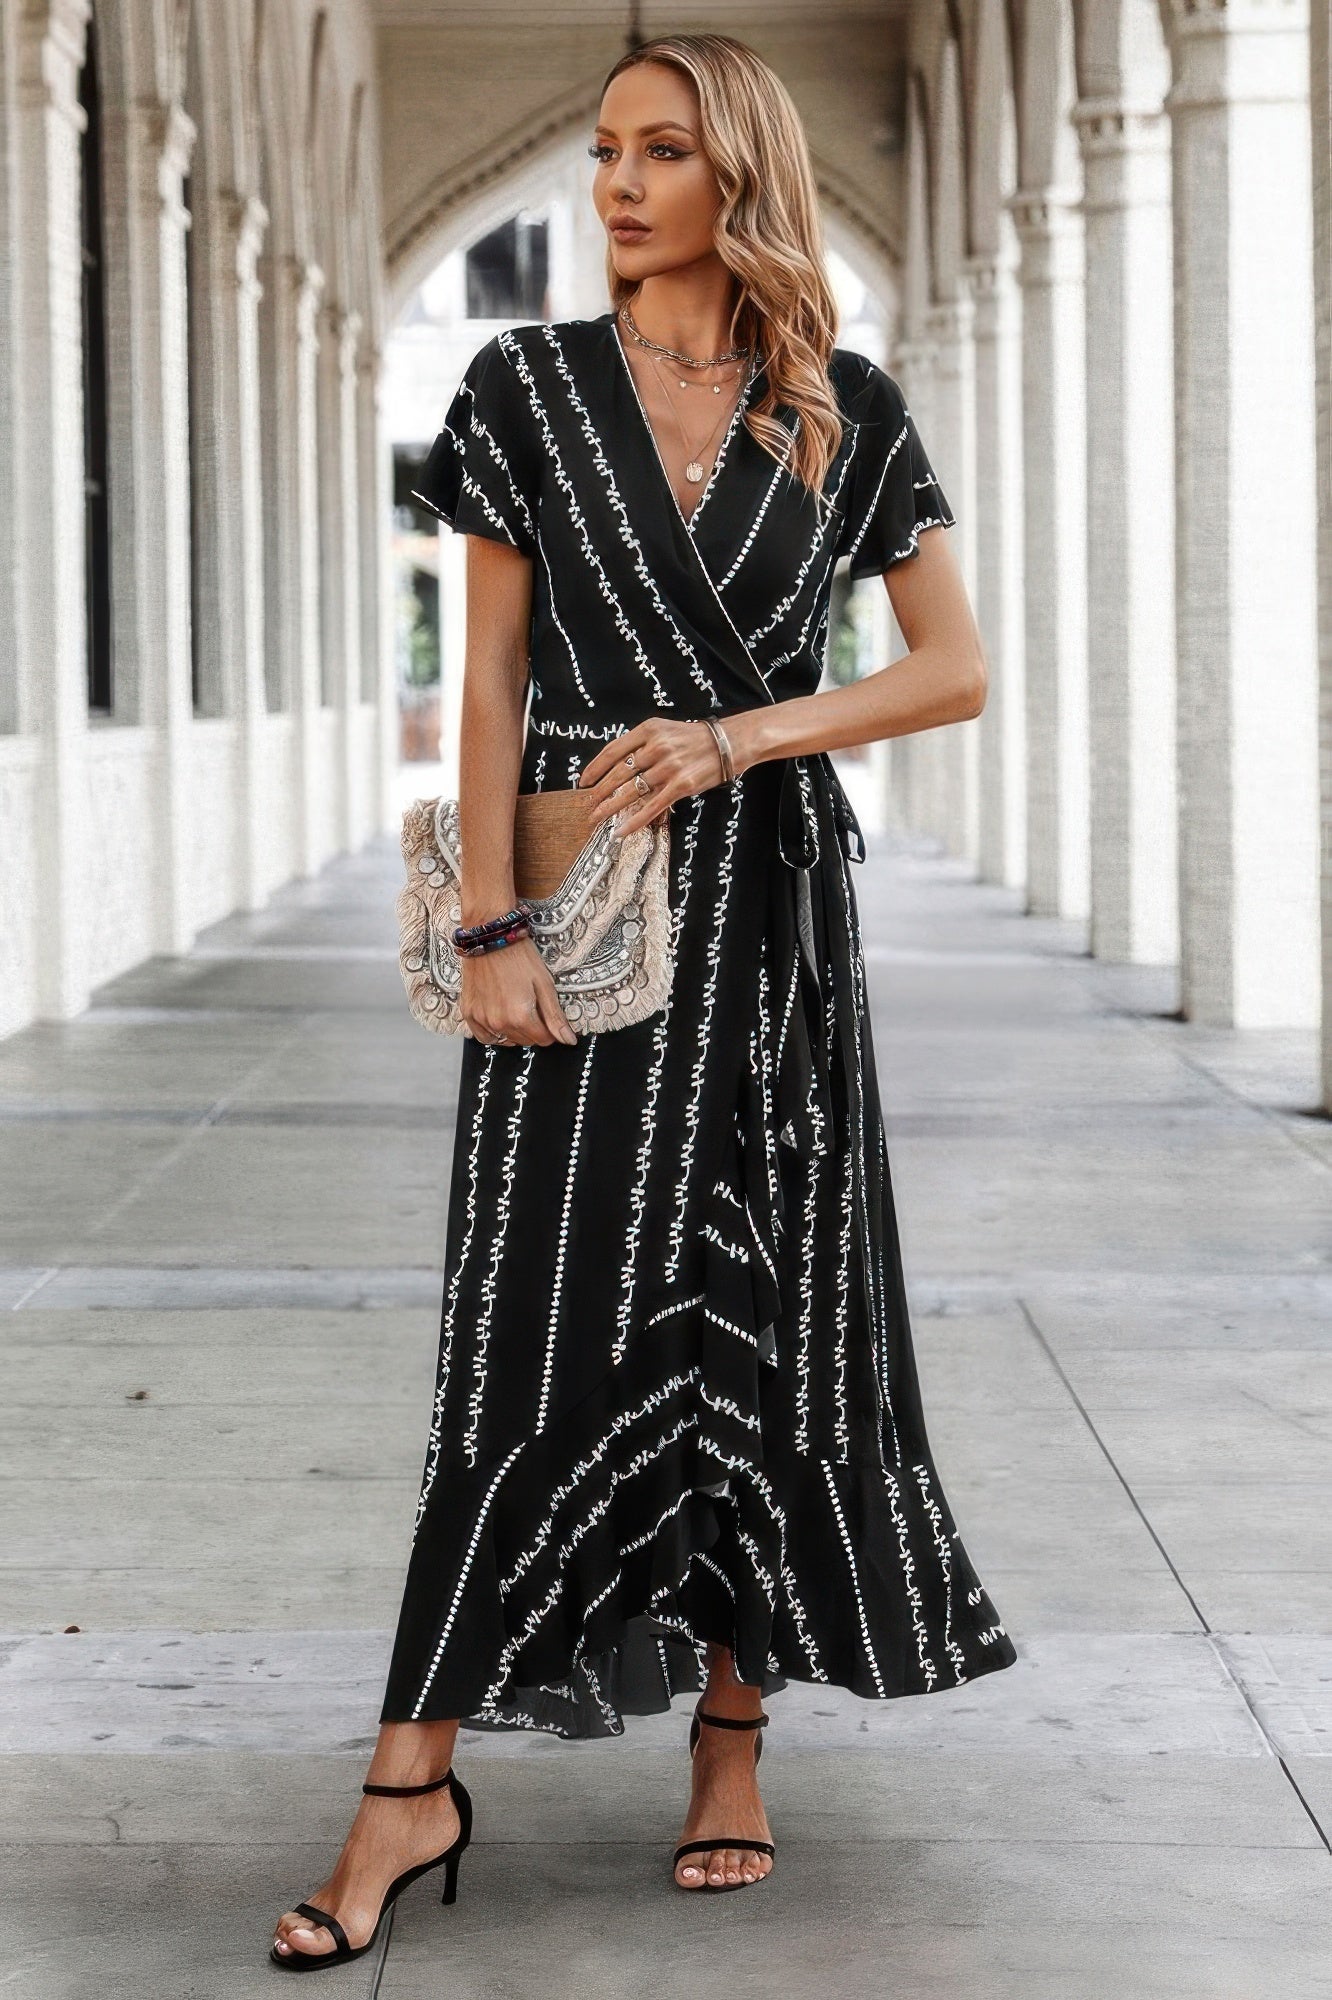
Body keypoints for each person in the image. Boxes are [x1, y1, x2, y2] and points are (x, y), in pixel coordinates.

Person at [270, 29, 1016, 1969]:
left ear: (736, 177)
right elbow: (491, 681)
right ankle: (407, 1779)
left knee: (771, 1304)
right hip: (582, 914)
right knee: (525, 1328)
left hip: (772, 909)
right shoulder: (519, 388)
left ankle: (735, 1729)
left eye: (659, 152)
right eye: (602, 149)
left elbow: (950, 670)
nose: (613, 182)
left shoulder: (838, 409)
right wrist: (496, 921)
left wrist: (746, 731)